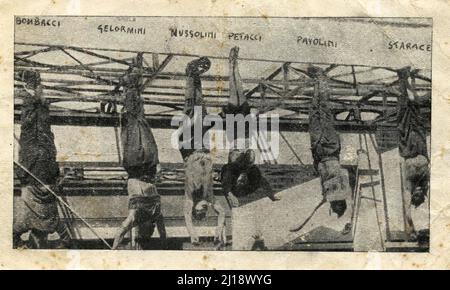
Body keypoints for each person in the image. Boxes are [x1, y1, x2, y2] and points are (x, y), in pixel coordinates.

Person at [112, 54, 167, 249]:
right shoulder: (154, 215)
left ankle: (130, 87)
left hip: (137, 166)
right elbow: (162, 232)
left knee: (134, 124)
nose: (146, 229)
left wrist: (113, 249)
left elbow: (120, 231)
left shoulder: (136, 217)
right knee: (139, 123)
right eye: (147, 231)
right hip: (147, 164)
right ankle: (132, 86)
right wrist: (163, 245)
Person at [14, 70, 71, 249]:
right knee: (39, 130)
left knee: (33, 129)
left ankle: (31, 91)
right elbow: (29, 126)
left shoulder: (27, 223)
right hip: (39, 165)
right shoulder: (30, 102)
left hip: (39, 166)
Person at [220, 47, 279, 207]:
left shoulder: (232, 170)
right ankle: (235, 64)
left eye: (238, 182)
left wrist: (229, 194)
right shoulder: (251, 170)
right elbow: (263, 182)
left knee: (234, 94)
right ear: (246, 182)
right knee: (241, 94)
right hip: (246, 130)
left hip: (234, 131)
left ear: (235, 182)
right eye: (243, 183)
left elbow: (225, 184)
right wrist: (272, 196)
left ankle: (232, 63)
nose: (242, 180)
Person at [180, 57, 226, 248]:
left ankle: (190, 74)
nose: (203, 210)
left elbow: (186, 217)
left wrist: (192, 235)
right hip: (204, 147)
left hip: (189, 147)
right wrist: (217, 230)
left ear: (194, 210)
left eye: (199, 212)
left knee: (191, 108)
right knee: (202, 108)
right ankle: (196, 77)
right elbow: (222, 213)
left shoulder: (190, 199)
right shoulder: (210, 199)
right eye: (205, 213)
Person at [307, 65, 352, 232]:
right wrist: (329, 195)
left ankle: (317, 83)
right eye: (335, 207)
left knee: (313, 111)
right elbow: (342, 174)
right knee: (324, 109)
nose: (332, 206)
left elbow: (319, 171)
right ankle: (322, 79)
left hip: (318, 146)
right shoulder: (342, 189)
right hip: (330, 147)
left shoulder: (326, 190)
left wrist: (324, 194)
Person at [396, 67, 430, 241]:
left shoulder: (412, 185)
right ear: (422, 194)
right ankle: (405, 78)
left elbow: (407, 205)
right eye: (420, 194)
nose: (417, 192)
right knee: (413, 109)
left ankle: (403, 78)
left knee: (404, 113)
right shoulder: (425, 183)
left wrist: (410, 225)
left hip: (410, 148)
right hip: (418, 146)